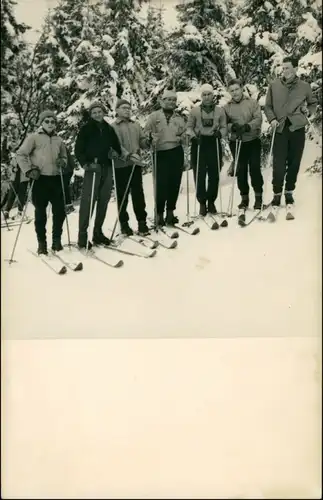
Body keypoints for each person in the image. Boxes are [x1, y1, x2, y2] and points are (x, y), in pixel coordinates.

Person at [264, 56, 318, 207]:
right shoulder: (274, 85)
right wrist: (272, 119)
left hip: (297, 128)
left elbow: (313, 103)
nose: (285, 70)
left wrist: (308, 111)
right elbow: (267, 106)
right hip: (280, 128)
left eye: (288, 67)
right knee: (279, 163)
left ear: (295, 68)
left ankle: (289, 193)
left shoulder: (304, 86)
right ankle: (276, 194)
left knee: (294, 162)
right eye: (283, 68)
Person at [16, 110, 68, 255]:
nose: (50, 124)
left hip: (56, 179)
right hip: (40, 179)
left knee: (60, 211)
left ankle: (56, 240)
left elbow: (64, 156)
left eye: (53, 121)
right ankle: (42, 243)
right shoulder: (34, 138)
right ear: (41, 123)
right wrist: (28, 170)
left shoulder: (59, 140)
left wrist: (62, 161)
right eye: (47, 121)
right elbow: (20, 154)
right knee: (40, 213)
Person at [74, 101, 122, 249]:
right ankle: (82, 236)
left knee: (103, 201)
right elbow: (78, 150)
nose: (97, 114)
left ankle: (97, 233)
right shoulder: (86, 129)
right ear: (91, 114)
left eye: (99, 111)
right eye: (94, 112)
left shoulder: (109, 128)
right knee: (88, 202)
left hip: (106, 167)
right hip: (93, 168)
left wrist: (115, 153)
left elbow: (117, 147)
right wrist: (86, 164)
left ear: (103, 112)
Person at [144, 89, 186, 227]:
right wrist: (150, 138)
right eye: (168, 99)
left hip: (176, 151)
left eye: (173, 100)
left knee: (174, 183)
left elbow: (185, 134)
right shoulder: (154, 116)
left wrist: (183, 137)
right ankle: (159, 214)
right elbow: (146, 134)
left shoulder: (179, 118)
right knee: (161, 184)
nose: (171, 102)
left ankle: (170, 213)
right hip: (160, 152)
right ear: (162, 101)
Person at [186, 83, 227, 216]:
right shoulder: (194, 111)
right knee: (199, 173)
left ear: (213, 95)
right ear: (201, 96)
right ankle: (202, 202)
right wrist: (193, 137)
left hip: (213, 142)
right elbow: (189, 127)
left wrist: (220, 133)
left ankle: (211, 201)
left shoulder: (220, 111)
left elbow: (224, 126)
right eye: (204, 94)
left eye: (209, 94)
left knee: (214, 173)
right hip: (199, 143)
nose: (207, 96)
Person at [111, 99, 150, 236]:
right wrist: (127, 155)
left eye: (128, 108)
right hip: (121, 165)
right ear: (117, 110)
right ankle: (124, 224)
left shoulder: (135, 125)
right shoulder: (113, 126)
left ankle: (142, 222)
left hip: (135, 165)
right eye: (123, 108)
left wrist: (147, 141)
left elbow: (142, 141)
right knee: (123, 195)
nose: (127, 110)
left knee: (138, 193)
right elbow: (115, 145)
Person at [224, 79, 264, 210]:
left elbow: (258, 118)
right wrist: (233, 127)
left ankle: (258, 197)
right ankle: (244, 198)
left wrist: (248, 127)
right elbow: (224, 123)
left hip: (252, 140)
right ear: (229, 92)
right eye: (232, 91)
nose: (235, 93)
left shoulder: (252, 103)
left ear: (241, 88)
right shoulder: (227, 107)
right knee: (241, 170)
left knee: (254, 169)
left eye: (236, 89)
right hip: (237, 142)